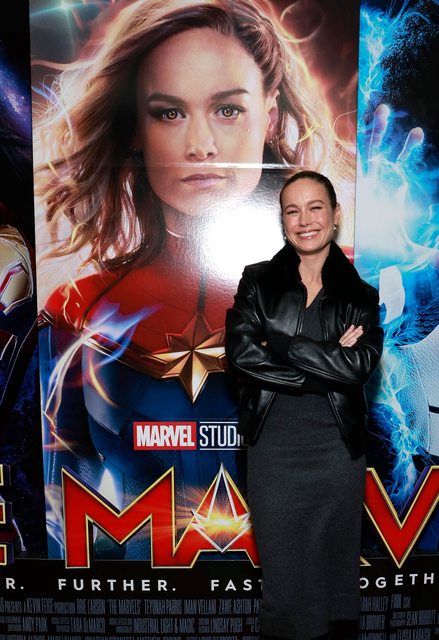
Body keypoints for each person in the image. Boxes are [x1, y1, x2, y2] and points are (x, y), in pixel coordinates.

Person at [33, 0, 355, 558]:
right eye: (169, 113)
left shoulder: (348, 285)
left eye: (228, 110)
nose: (200, 145)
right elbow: (57, 518)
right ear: (135, 129)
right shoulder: (78, 310)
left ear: (270, 115)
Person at [225, 171, 383, 640]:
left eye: (316, 207)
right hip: (274, 451)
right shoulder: (257, 281)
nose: (305, 220)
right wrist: (325, 363)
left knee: (334, 580)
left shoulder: (360, 295)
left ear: (335, 216)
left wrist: (279, 343)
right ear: (283, 221)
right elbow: (241, 357)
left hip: (336, 453)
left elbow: (358, 369)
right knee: (284, 584)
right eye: (292, 211)